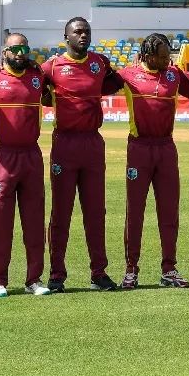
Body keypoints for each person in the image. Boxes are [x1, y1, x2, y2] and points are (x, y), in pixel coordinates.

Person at [41, 17, 123, 293]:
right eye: (77, 32)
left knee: (95, 212)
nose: (83, 35)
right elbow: (32, 81)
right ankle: (56, 275)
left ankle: (99, 273)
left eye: (87, 31)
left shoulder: (99, 63)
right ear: (66, 37)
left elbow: (114, 82)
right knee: (61, 213)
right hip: (65, 144)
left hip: (92, 144)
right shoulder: (52, 66)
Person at [116, 33, 189, 290]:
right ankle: (131, 270)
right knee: (135, 212)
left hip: (166, 148)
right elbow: (97, 82)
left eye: (169, 56)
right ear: (148, 55)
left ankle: (169, 269)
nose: (168, 60)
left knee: (168, 211)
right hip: (139, 149)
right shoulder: (127, 75)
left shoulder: (174, 75)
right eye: (163, 56)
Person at [0, 33, 53, 298]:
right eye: (15, 49)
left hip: (31, 155)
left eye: (24, 49)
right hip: (3, 158)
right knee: (1, 220)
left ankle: (34, 279)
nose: (20, 53)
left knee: (33, 220)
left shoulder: (37, 76)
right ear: (4, 52)